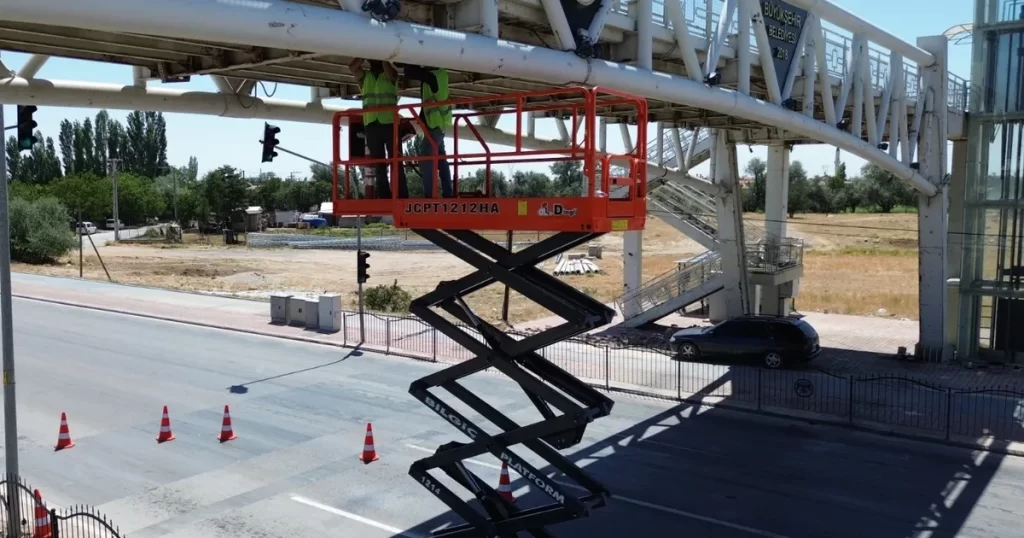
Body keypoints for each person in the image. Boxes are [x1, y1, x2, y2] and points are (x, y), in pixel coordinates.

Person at [350, 57, 408, 199]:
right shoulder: (366, 78)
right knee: (379, 164)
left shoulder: (389, 74)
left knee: (396, 161)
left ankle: (401, 194)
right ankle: (384, 195)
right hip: (372, 125)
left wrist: (381, 55)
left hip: (389, 124)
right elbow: (352, 68)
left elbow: (389, 71)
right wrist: (364, 54)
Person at [401, 64, 453, 198]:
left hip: (435, 125)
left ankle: (430, 195)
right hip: (437, 124)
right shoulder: (439, 74)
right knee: (441, 158)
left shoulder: (433, 76)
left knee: (426, 158)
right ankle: (448, 192)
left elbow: (412, 71)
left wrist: (405, 62)